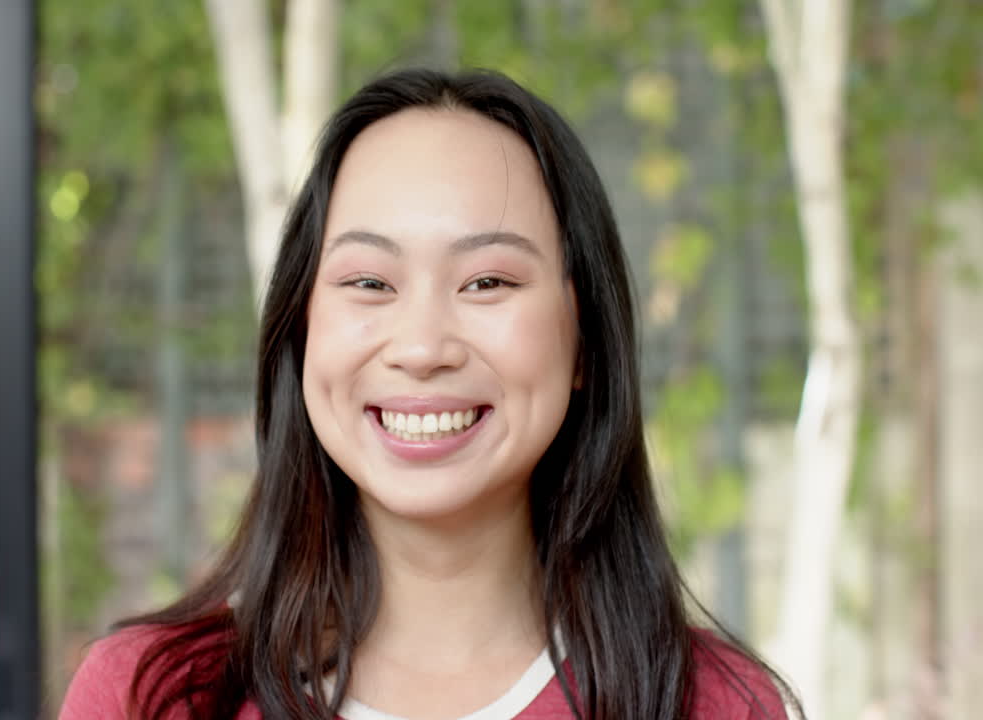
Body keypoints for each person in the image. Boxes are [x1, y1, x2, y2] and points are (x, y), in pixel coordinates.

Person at [59, 67, 796, 720]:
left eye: (488, 282)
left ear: (584, 342)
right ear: (301, 327)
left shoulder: (718, 705)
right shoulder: (150, 697)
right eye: (369, 283)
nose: (420, 348)